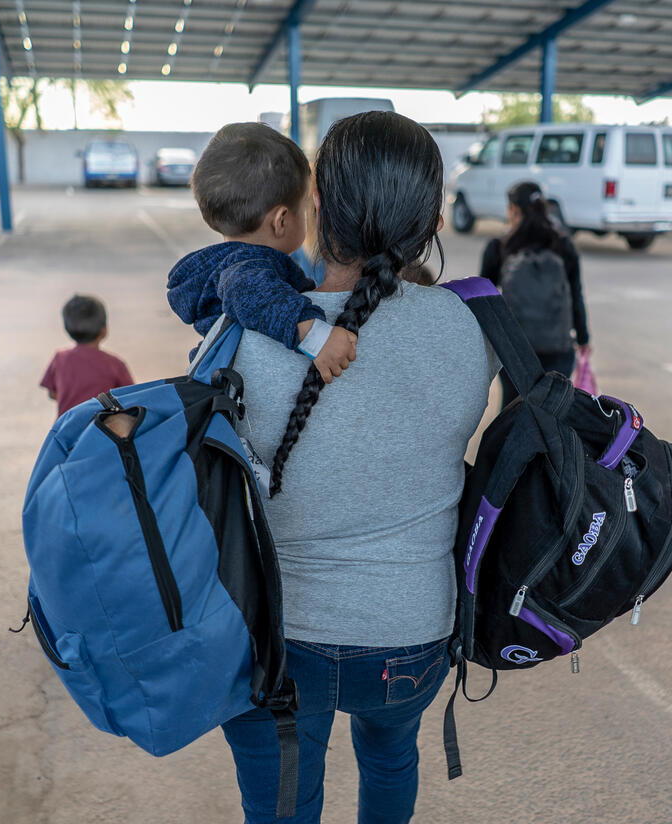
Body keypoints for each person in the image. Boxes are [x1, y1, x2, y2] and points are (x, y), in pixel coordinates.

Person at [219, 111, 497, 824]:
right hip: (418, 637)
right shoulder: (474, 331)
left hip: (286, 640)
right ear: (432, 219)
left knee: (285, 803)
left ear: (315, 209)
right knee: (390, 761)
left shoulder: (243, 338)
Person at [166, 123, 356, 384]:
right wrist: (317, 337)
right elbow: (244, 289)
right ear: (281, 220)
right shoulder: (246, 268)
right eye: (303, 209)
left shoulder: (230, 263)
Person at [478, 181, 590, 406]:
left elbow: (483, 301)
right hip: (558, 346)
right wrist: (583, 338)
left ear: (513, 210)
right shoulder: (563, 246)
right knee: (551, 413)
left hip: (515, 350)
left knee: (512, 410)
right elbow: (576, 293)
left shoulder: (501, 247)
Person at [40, 294, 134, 416]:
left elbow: (52, 393)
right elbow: (130, 398)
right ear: (103, 329)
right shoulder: (115, 364)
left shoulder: (60, 358)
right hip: (100, 430)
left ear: (67, 329)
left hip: (64, 429)